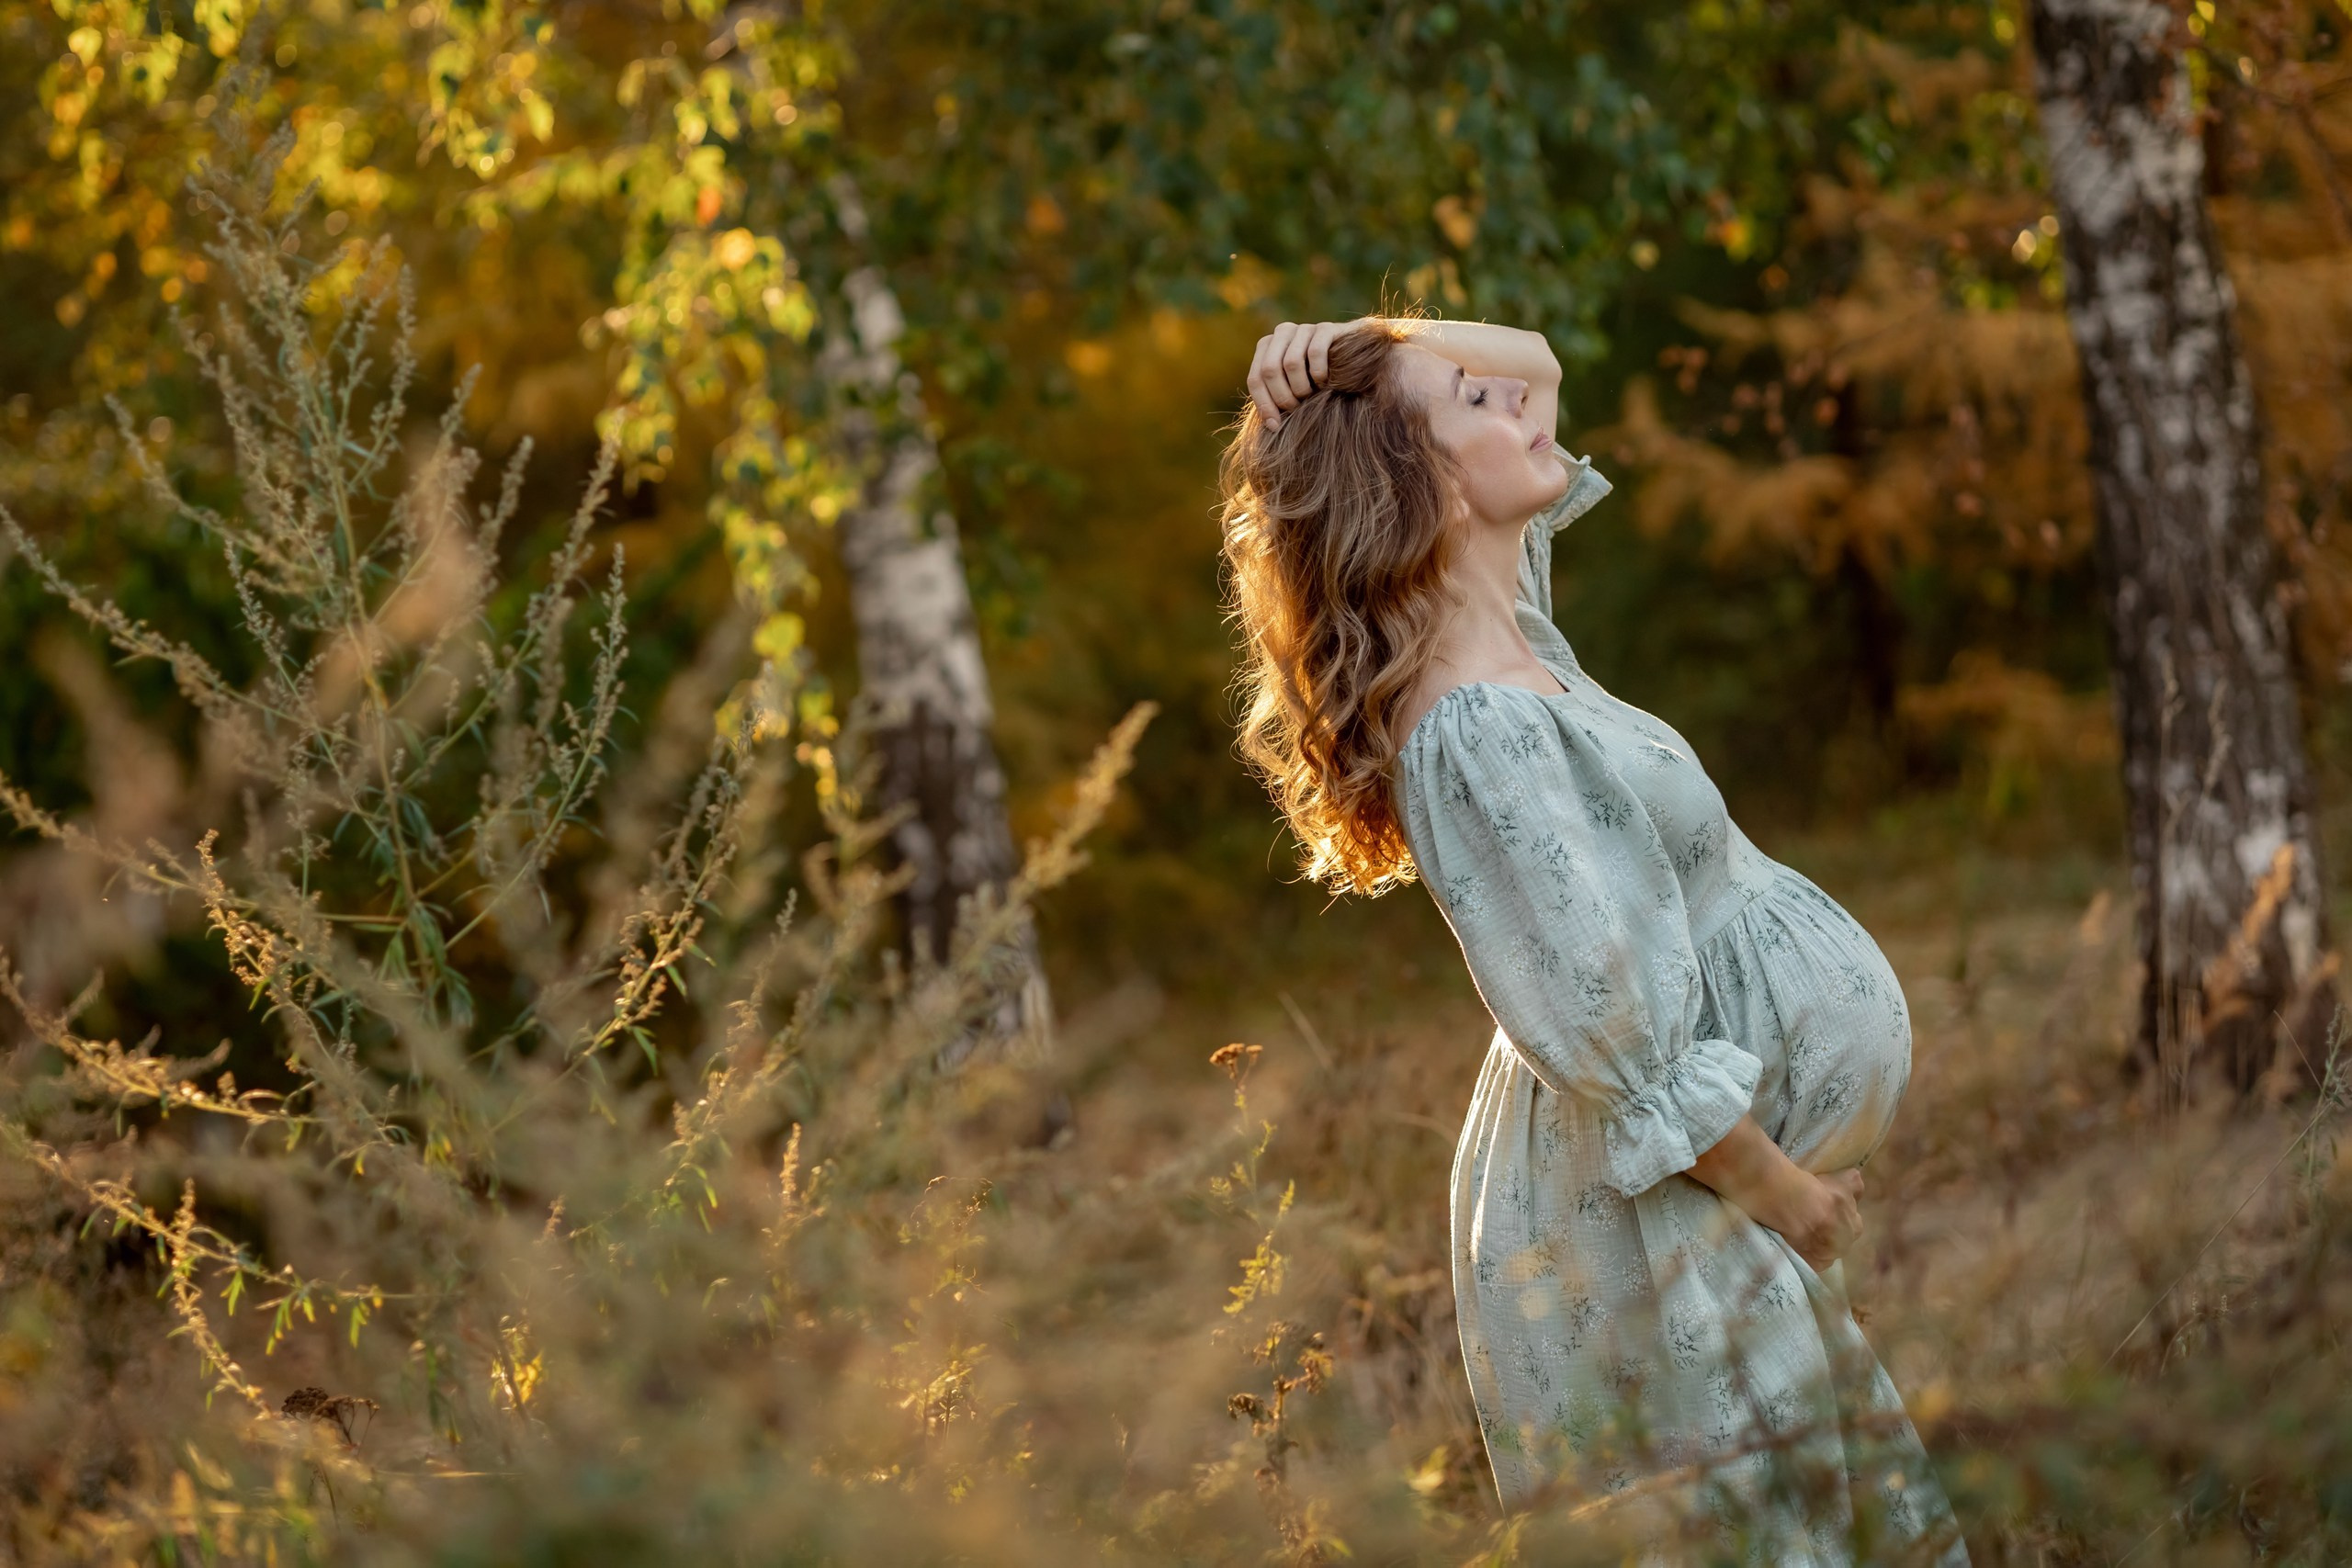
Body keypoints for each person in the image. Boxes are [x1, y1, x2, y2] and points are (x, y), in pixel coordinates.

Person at [1218, 317, 1969, 1563]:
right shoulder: (1474, 728)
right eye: (1475, 405)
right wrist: (1787, 1196)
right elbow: (1611, 1025)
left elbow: (1538, 359)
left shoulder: (1517, 632)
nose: (1521, 407)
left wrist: (1361, 341)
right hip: (1659, 1193)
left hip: (1704, 1183)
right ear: (1424, 479)